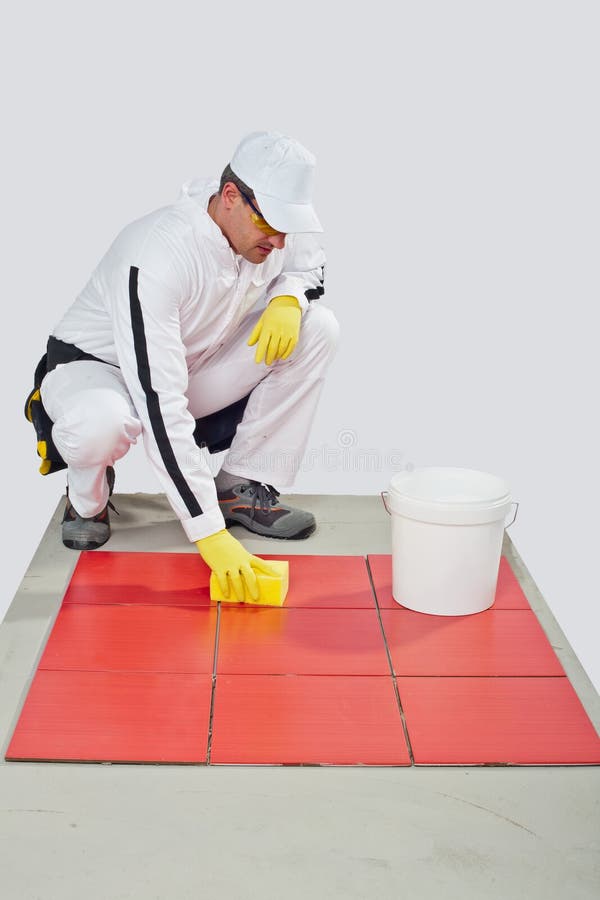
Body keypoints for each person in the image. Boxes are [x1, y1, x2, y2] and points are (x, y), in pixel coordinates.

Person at [31, 131, 339, 601]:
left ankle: (238, 484)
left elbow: (306, 267)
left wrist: (288, 298)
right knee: (101, 425)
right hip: (96, 372)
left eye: (288, 227)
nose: (279, 241)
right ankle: (86, 500)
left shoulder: (269, 229)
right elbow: (160, 404)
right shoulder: (156, 252)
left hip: (189, 361)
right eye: (272, 224)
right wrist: (208, 534)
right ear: (230, 196)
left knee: (318, 328)